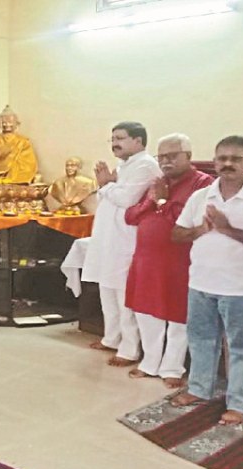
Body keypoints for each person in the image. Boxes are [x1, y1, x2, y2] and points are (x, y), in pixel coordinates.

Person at [169, 136, 243, 425]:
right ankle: (199, 389)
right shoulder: (200, 196)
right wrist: (200, 230)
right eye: (222, 159)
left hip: (239, 288)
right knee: (201, 340)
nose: (228, 164)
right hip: (201, 283)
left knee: (240, 347)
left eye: (236, 159)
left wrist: (228, 229)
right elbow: (176, 234)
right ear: (214, 162)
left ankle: (239, 403)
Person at [124, 134, 214, 388]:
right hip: (146, 258)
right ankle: (150, 362)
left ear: (188, 156)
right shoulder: (158, 183)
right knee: (145, 311)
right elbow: (131, 216)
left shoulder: (203, 184)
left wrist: (162, 202)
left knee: (178, 315)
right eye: (161, 156)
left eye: (172, 156)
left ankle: (172, 367)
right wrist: (153, 200)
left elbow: (191, 221)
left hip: (179, 259)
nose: (165, 162)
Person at [81, 122, 161, 367]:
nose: (114, 143)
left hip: (126, 240)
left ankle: (129, 350)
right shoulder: (125, 165)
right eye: (112, 138)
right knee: (107, 291)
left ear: (138, 141)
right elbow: (113, 194)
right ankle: (111, 338)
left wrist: (106, 184)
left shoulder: (146, 165)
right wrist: (109, 185)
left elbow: (126, 199)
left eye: (120, 138)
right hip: (109, 239)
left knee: (124, 296)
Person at [0, 105, 38, 184]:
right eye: (4, 122)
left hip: (17, 173)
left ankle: (9, 179)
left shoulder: (23, 141)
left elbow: (29, 163)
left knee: (17, 168)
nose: (7, 125)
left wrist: (15, 168)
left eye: (10, 122)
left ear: (17, 124)